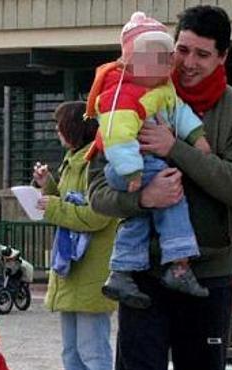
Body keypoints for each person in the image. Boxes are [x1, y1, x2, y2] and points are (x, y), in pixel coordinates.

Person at [87, 5, 232, 370]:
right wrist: (141, 197)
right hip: (142, 275)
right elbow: (98, 189)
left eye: (201, 54)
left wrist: (174, 148)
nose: (186, 61)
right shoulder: (126, 92)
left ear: (222, 56)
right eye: (180, 48)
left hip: (206, 275)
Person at [87, 12, 212, 307]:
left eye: (165, 57)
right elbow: (116, 136)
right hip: (130, 164)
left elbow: (179, 112)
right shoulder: (121, 94)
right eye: (158, 58)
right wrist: (133, 173)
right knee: (171, 196)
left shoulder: (161, 89)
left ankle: (121, 271)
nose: (169, 64)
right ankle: (179, 263)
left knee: (140, 218)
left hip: (141, 163)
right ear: (131, 62)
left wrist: (197, 137)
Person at [32, 101, 118, 370]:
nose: (56, 133)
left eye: (59, 126)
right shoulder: (73, 161)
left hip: (93, 268)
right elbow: (69, 201)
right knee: (72, 348)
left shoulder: (99, 161)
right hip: (73, 268)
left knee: (93, 348)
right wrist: (48, 185)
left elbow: (97, 215)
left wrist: (52, 205)